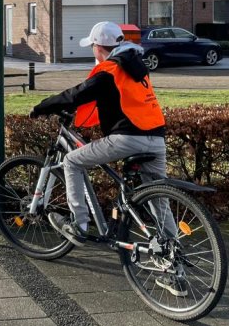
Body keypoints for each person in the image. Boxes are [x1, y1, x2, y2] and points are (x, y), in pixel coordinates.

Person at [30, 21, 183, 296]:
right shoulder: (135, 65)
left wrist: (42, 107)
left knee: (72, 161)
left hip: (127, 138)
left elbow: (76, 94)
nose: (93, 52)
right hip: (157, 138)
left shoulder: (109, 70)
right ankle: (175, 271)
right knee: (160, 203)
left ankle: (79, 224)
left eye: (93, 47)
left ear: (99, 47)